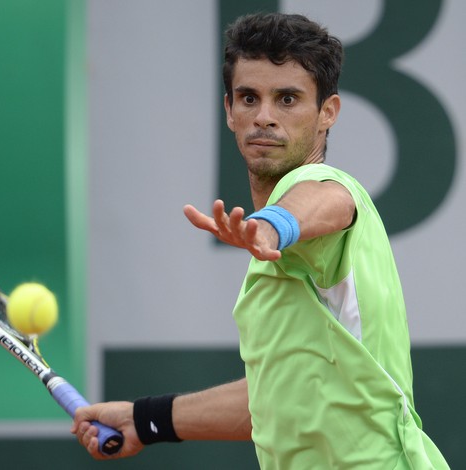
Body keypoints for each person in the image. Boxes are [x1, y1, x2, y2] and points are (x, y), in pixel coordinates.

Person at [71, 12, 449, 469]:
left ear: (327, 112)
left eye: (287, 98)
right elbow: (278, 397)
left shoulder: (321, 189)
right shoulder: (279, 261)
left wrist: (273, 225)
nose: (264, 117)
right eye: (249, 98)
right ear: (229, 111)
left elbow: (326, 200)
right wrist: (145, 420)